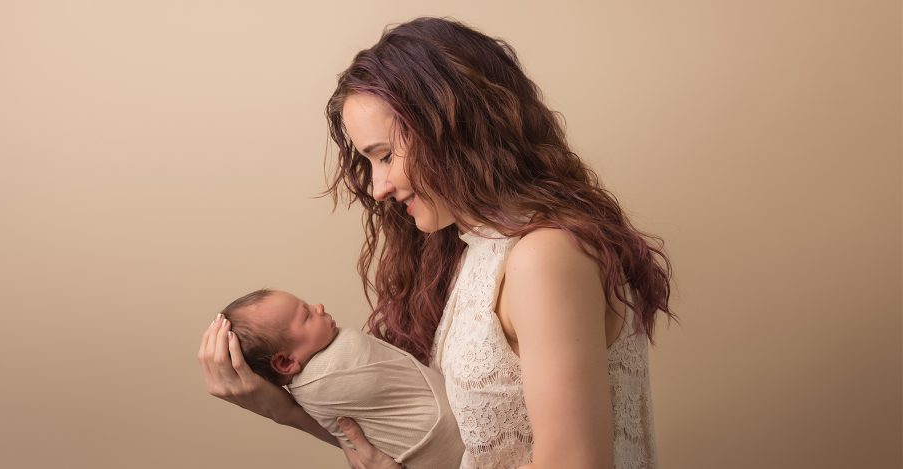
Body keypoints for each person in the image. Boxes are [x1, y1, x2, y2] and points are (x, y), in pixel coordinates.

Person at [198, 16, 676, 469]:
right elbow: (454, 443)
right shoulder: (477, 250)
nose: (378, 186)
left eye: (384, 156)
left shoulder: (543, 256)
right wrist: (283, 410)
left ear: (454, 132)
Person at [216, 288, 465, 469]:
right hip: (447, 448)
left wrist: (286, 410)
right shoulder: (327, 374)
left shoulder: (311, 387)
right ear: (285, 362)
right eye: (307, 316)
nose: (319, 307)